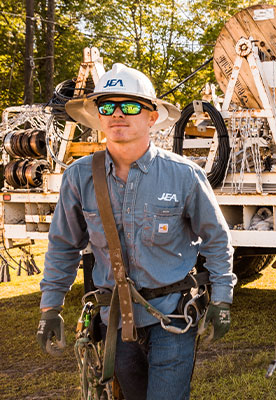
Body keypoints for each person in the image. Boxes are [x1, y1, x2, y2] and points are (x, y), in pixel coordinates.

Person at [36, 63, 236, 400]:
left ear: (151, 116)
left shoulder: (184, 176)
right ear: (97, 116)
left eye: (129, 106)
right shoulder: (79, 177)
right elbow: (63, 246)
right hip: (115, 320)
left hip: (173, 317)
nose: (117, 114)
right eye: (107, 106)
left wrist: (222, 299)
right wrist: (49, 308)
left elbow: (217, 240)